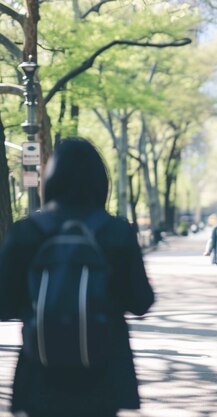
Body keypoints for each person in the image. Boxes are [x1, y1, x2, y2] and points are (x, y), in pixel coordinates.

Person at [0, 138, 154, 417]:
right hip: (102, 377)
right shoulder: (116, 231)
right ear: (99, 180)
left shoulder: (26, 232)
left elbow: (3, 305)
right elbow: (141, 301)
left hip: (39, 377)